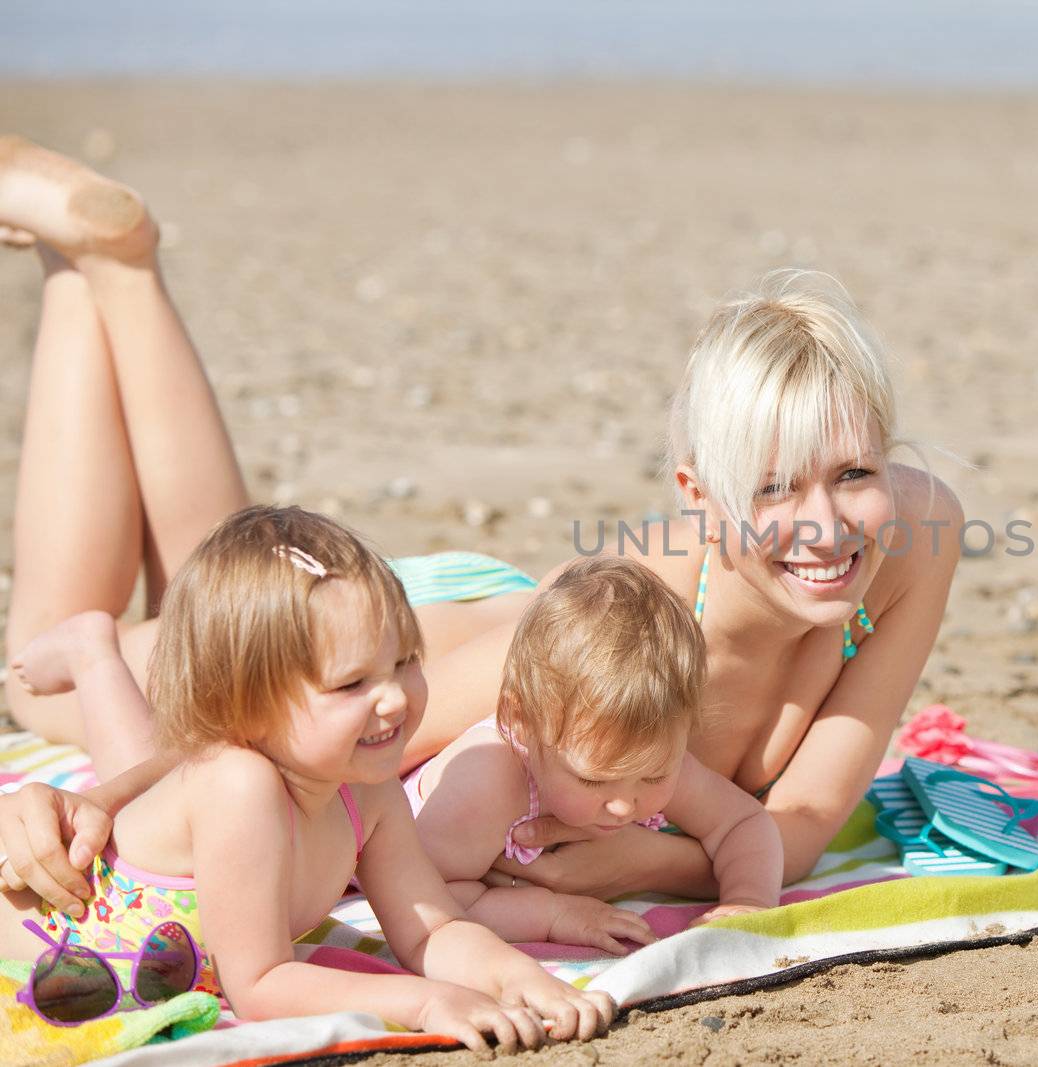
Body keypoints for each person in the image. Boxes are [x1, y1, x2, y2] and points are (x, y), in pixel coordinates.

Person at [0, 135, 962, 909]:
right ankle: (106, 277)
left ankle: (98, 271)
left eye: (855, 472)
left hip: (492, 621)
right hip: (419, 637)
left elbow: (804, 818)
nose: (828, 526)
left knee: (212, 566)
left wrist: (646, 866)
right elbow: (344, 728)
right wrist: (103, 796)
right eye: (773, 490)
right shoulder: (639, 601)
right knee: (41, 674)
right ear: (699, 496)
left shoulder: (919, 537)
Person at [1, 505, 612, 1049]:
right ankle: (94, 654)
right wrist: (424, 1001)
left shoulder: (365, 789)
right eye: (352, 684)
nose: (395, 699)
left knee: (148, 759)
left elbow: (433, 928)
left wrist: (519, 978)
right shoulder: (239, 785)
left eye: (405, 662)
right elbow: (259, 986)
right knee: (156, 759)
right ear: (247, 709)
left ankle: (94, 655)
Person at [407, 556, 782, 945]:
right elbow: (422, 898)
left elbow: (743, 823)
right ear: (521, 722)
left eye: (653, 776)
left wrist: (748, 900)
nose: (623, 805)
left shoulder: (642, 754)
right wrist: (552, 914)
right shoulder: (484, 782)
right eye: (592, 779)